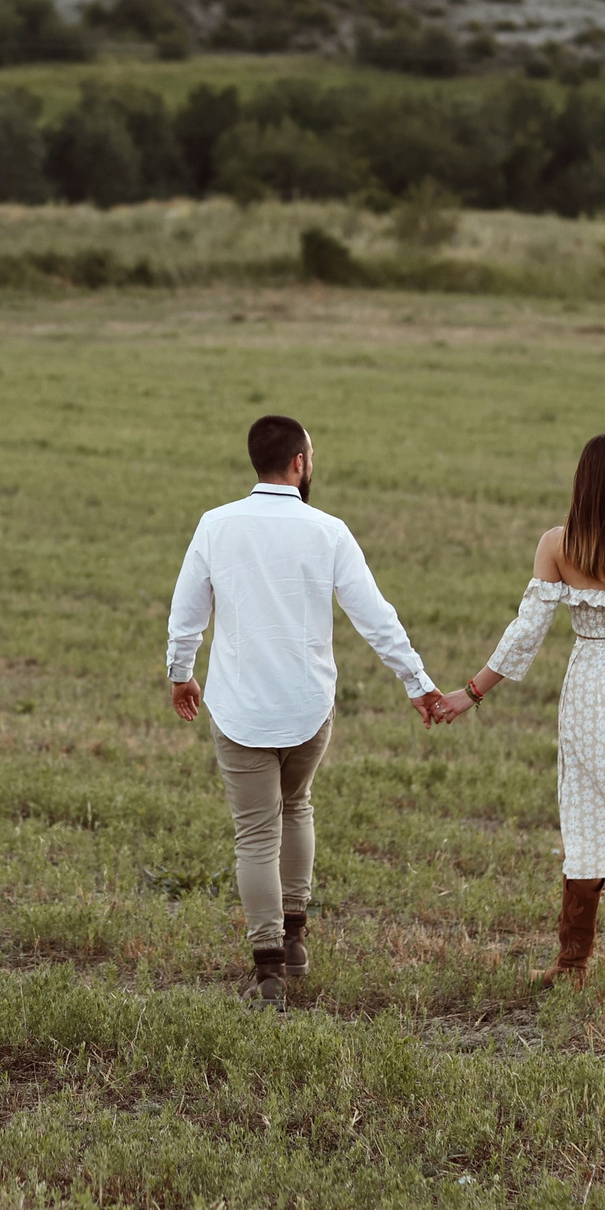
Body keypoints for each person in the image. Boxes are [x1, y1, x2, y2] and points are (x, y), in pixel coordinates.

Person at [166, 415, 442, 1008]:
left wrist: (179, 673)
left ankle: (268, 967)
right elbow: (376, 617)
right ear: (299, 463)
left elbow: (187, 611)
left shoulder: (216, 525)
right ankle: (295, 942)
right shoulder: (329, 531)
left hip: (239, 709)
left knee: (255, 833)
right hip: (308, 709)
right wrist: (417, 683)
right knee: (298, 807)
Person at [430, 431, 605, 1006]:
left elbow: (525, 634)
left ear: (584, 480)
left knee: (585, 817)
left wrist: (471, 693)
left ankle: (572, 963)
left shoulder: (558, 545)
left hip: (585, 690)